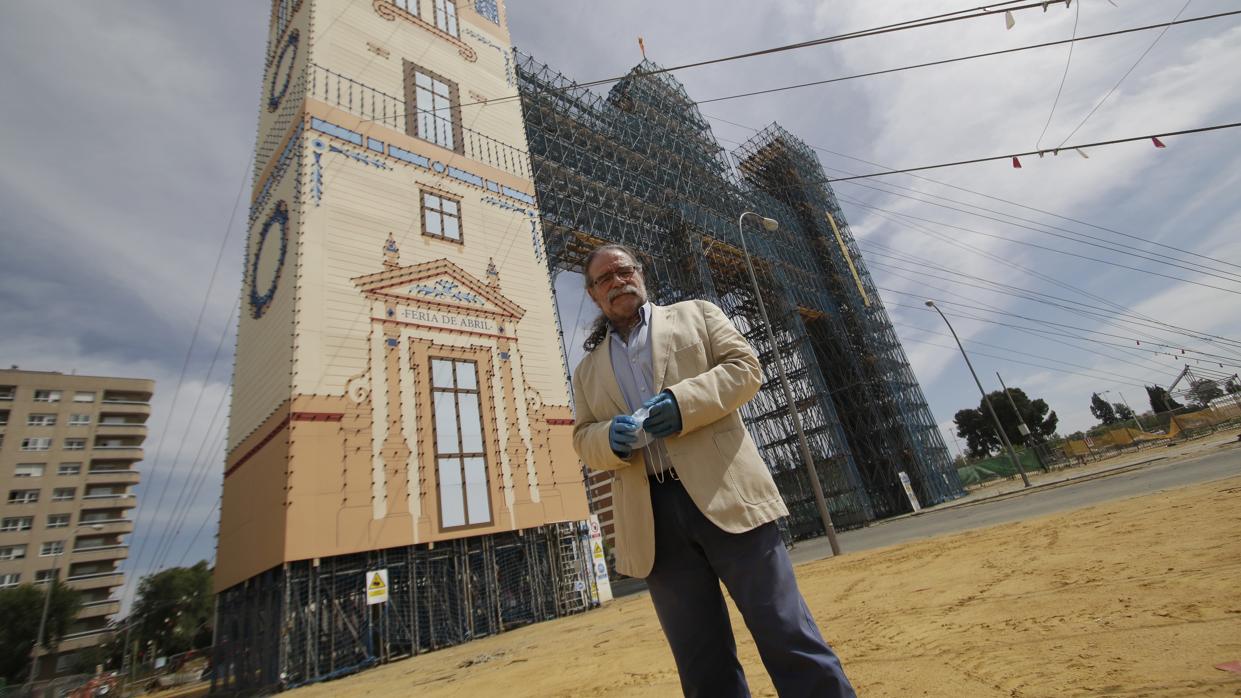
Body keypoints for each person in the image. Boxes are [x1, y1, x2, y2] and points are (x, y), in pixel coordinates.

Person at [571, 244, 856, 697]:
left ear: (640, 275)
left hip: (727, 494)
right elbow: (582, 438)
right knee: (701, 662)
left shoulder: (697, 315)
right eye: (604, 278)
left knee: (786, 632)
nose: (616, 281)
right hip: (653, 519)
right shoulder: (586, 371)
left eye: (623, 270)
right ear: (592, 294)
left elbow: (746, 369)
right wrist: (608, 439)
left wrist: (684, 404)